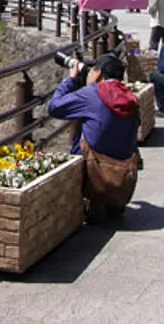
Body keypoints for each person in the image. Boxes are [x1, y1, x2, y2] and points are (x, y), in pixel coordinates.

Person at [47, 53, 141, 220]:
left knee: (81, 142)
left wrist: (71, 79)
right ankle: (111, 201)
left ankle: (92, 198)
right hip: (123, 174)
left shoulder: (91, 94)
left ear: (98, 74)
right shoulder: (130, 97)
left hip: (95, 169)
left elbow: (54, 107)